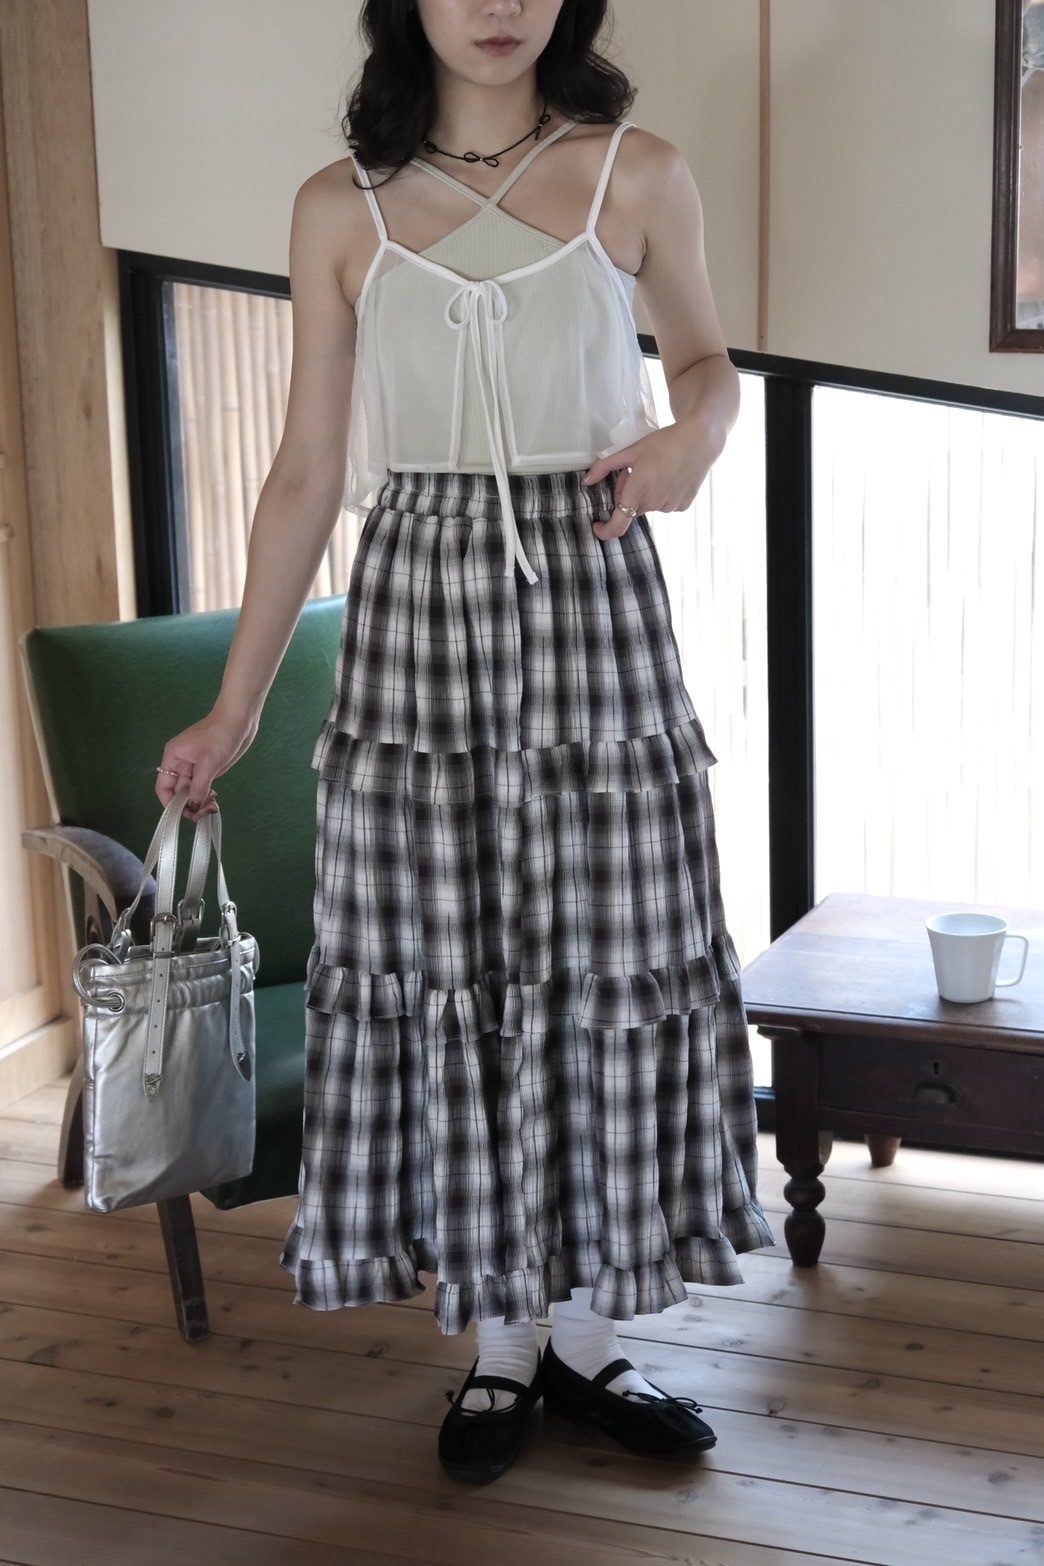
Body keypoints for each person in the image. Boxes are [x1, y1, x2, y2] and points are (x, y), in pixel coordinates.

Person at [157, 0, 773, 1486]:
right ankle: (503, 1348)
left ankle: (587, 1342)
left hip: (593, 594)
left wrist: (688, 441)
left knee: (603, 958)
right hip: (417, 613)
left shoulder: (636, 170)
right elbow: (307, 470)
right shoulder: (341, 207)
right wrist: (236, 703)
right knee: (456, 964)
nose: (499, 5)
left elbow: (709, 368)